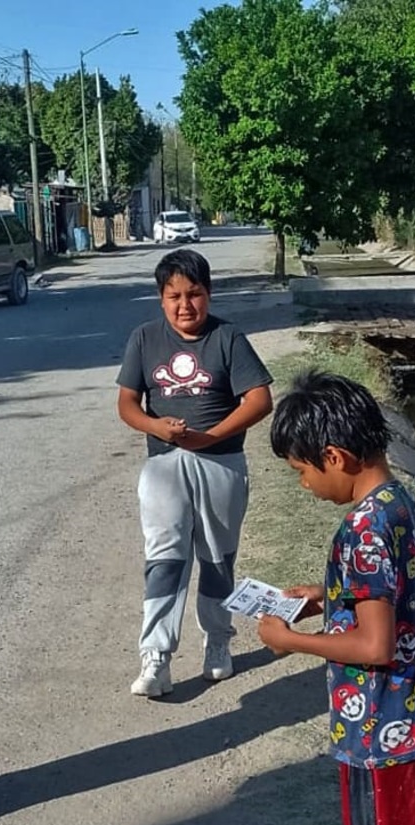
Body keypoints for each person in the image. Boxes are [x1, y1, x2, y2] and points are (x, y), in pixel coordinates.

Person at [257, 370, 415, 825]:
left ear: (334, 457)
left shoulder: (361, 530)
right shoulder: (401, 503)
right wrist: (333, 597)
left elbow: (375, 647)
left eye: (301, 471)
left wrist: (291, 641)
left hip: (379, 733)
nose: (304, 484)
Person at [116, 247, 274, 696]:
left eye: (195, 294)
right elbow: (127, 403)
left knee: (217, 558)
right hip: (164, 466)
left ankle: (218, 641)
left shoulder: (228, 338)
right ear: (161, 299)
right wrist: (155, 426)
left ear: (209, 294)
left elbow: (259, 400)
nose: (185, 305)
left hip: (222, 463)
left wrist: (211, 437)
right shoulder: (145, 338)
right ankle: (156, 657)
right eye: (174, 296)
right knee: (164, 559)